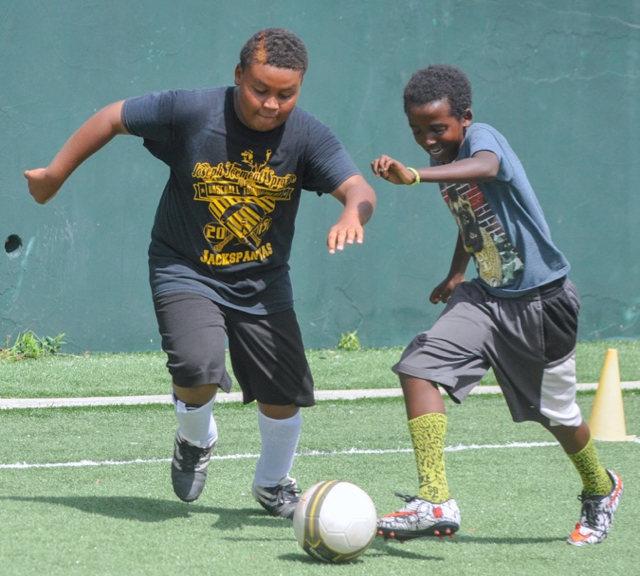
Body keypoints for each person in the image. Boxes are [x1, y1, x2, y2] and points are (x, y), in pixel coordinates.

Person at [25, 28, 376, 519]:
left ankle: (273, 485)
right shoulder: (191, 111)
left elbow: (358, 187)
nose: (272, 104)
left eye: (286, 94)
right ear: (238, 76)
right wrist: (54, 175)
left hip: (262, 282)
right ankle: (195, 438)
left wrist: (352, 214)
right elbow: (112, 117)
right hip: (183, 265)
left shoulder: (308, 135)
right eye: (260, 89)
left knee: (283, 394)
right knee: (197, 365)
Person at [370, 64, 622, 546]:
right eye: (417, 131)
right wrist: (456, 273)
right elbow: (473, 220)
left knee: (559, 416)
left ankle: (600, 487)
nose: (428, 139)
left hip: (542, 304)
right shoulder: (446, 167)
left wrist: (415, 175)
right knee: (417, 367)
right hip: (485, 298)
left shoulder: (483, 140)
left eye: (438, 128)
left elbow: (486, 167)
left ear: (464, 117)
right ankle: (435, 499)